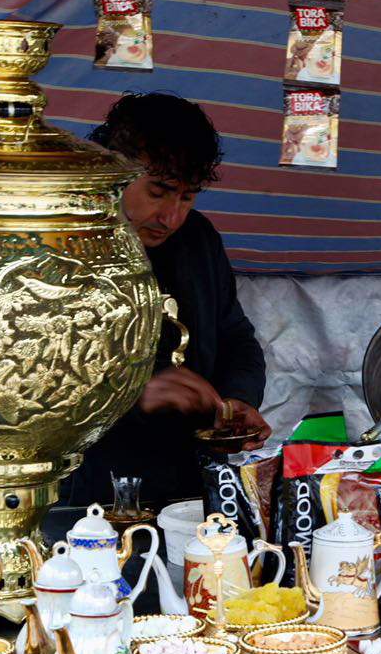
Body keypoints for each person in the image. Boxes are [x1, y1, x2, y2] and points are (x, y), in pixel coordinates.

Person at [60, 93, 271, 509]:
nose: (171, 217)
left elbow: (235, 336)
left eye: (187, 197)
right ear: (114, 171)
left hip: (192, 482)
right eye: (158, 192)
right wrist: (135, 390)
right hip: (91, 489)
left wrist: (239, 399)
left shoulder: (198, 239)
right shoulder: (67, 244)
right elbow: (38, 372)